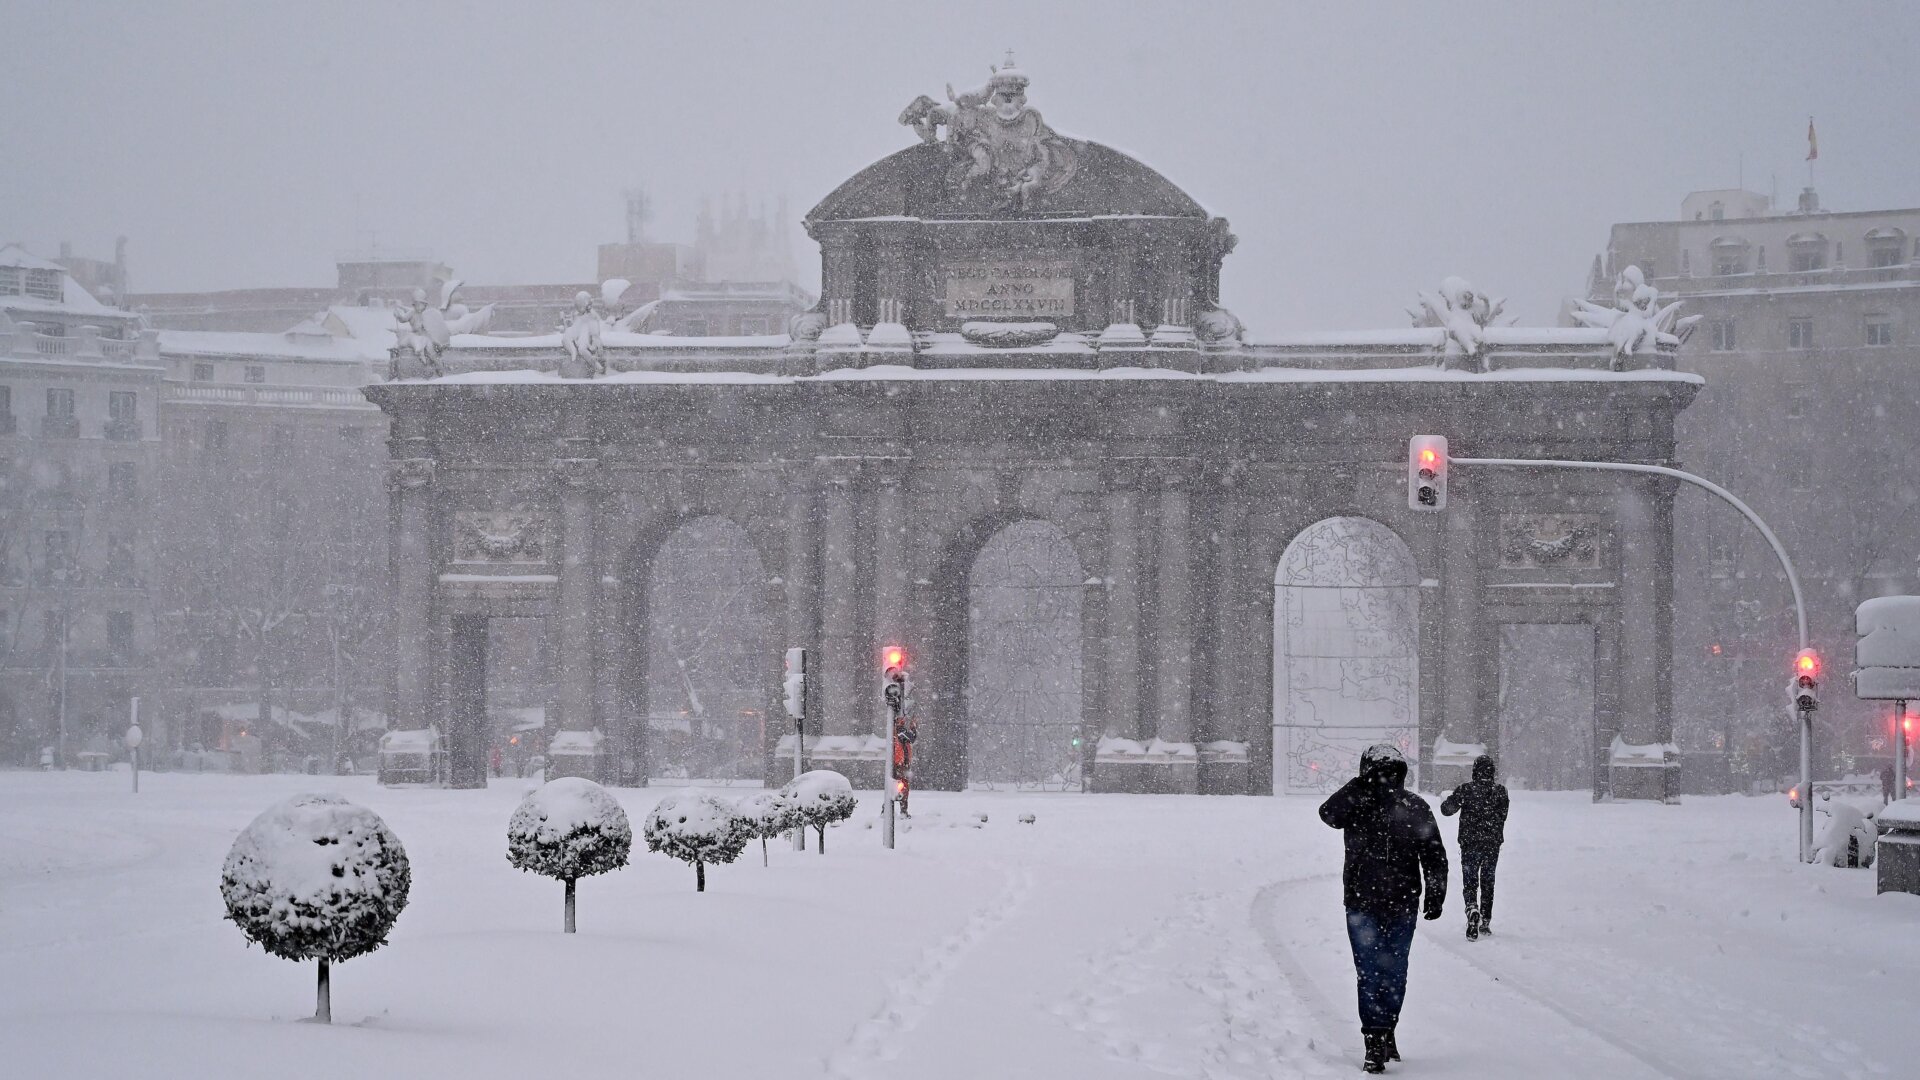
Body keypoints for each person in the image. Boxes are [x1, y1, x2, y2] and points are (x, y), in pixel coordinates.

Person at [1319, 743, 1448, 1074]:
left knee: (1388, 971)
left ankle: (1384, 1029)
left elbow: (1434, 854)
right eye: (1378, 773)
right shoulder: (1356, 803)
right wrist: (1359, 785)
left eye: (1390, 773)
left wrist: (1436, 894)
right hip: (1366, 902)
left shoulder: (1413, 806)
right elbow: (1328, 813)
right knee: (1379, 971)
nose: (1385, 780)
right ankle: (1375, 1038)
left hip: (1396, 902)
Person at [1440, 754, 1510, 941]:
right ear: (1492, 772)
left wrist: (1448, 799)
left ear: (1474, 771)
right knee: (1488, 881)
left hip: (1470, 843)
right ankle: (1485, 920)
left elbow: (1446, 810)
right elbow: (1503, 815)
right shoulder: (1501, 791)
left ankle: (1472, 908)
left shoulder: (1466, 790)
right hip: (1492, 843)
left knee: (1470, 881)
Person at [892, 713, 918, 817]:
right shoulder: (900, 731)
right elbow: (912, 738)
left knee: (895, 787)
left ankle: (888, 810)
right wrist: (913, 727)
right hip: (900, 764)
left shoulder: (895, 731)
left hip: (899, 763)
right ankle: (903, 811)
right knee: (903, 787)